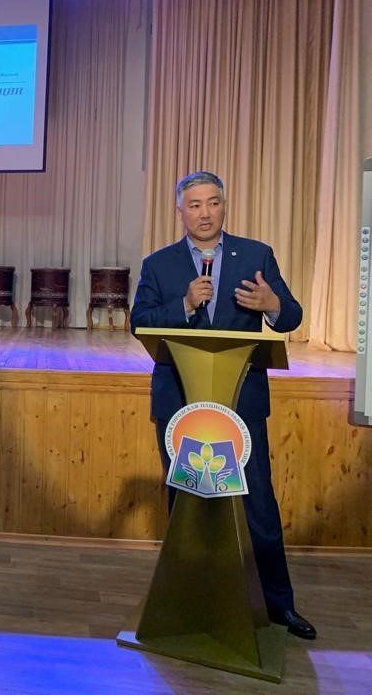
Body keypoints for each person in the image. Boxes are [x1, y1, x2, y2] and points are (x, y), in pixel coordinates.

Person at [130, 170, 315, 640]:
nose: (205, 213)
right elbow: (139, 322)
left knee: (257, 505)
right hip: (181, 399)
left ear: (224, 206)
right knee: (188, 505)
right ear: (180, 211)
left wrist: (272, 304)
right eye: (194, 205)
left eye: (213, 202)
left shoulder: (256, 255)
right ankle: (190, 604)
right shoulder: (160, 264)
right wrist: (184, 305)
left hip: (240, 401)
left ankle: (279, 606)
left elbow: (290, 316)